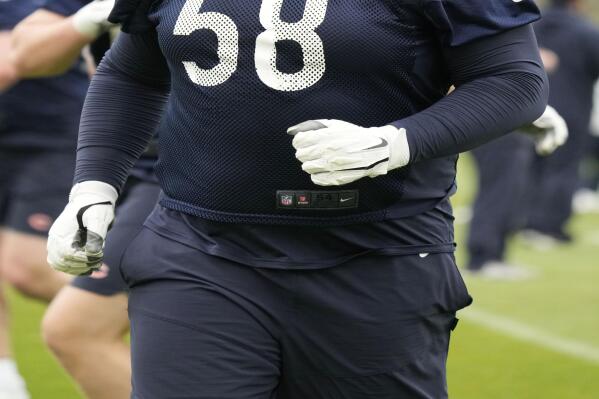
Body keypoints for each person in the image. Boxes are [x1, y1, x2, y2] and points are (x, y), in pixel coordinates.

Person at [48, 0, 548, 397]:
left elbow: (514, 79)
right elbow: (131, 73)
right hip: (200, 247)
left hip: (374, 253)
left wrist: (395, 142)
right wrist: (93, 186)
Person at [10, 2, 158, 398]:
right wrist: (86, 19)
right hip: (117, 162)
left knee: (75, 329)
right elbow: (24, 53)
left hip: (184, 168)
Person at [0, 1, 113, 397]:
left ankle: (151, 319)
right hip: (7, 138)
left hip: (51, 136)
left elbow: (11, 60)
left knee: (27, 266)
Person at [524, 0, 599, 243]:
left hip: (529, 108)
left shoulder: (529, 26)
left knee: (529, 167)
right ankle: (548, 228)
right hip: (571, 111)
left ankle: (525, 223)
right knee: (563, 170)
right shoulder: (586, 31)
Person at [466, 106, 568, 278]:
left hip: (509, 124)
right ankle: (483, 258)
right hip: (496, 123)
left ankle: (495, 255)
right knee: (498, 190)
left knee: (510, 190)